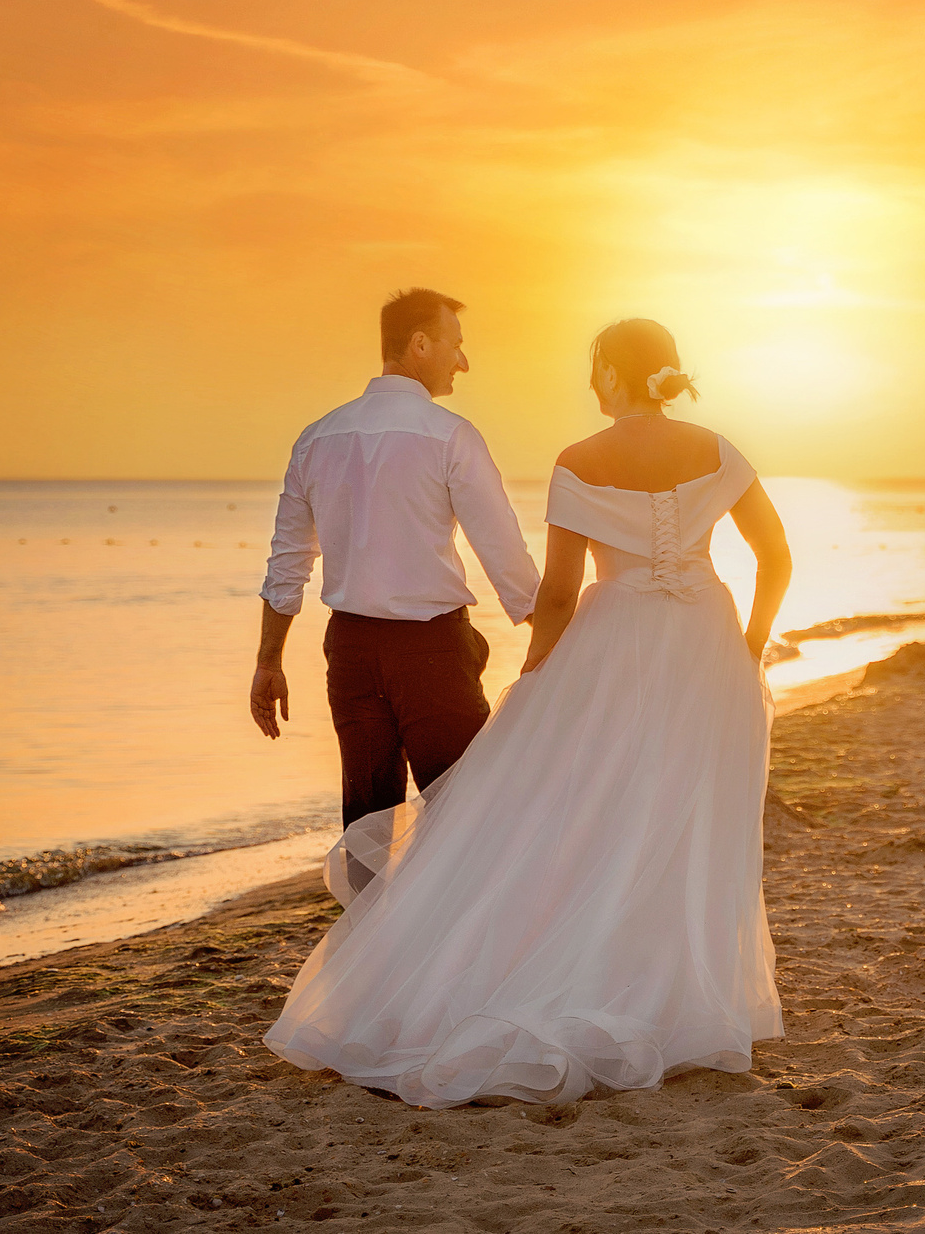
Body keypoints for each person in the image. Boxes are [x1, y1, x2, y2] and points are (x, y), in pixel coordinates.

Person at [265, 318, 793, 1107]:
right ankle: (681, 994)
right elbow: (776, 554)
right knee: (687, 816)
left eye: (596, 368)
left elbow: (555, 591)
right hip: (707, 646)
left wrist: (539, 670)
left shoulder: (579, 460)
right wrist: (747, 644)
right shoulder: (719, 449)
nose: (593, 383)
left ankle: (575, 967)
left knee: (590, 809)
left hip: (613, 641)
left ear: (615, 374)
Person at [250, 290, 540, 855]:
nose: (463, 361)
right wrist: (554, 634)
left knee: (366, 827)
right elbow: (503, 555)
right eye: (455, 345)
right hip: (431, 651)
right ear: (420, 344)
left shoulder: (317, 438)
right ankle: (453, 941)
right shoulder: (450, 435)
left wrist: (268, 662)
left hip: (351, 653)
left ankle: (369, 939)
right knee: (465, 820)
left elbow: (287, 564)